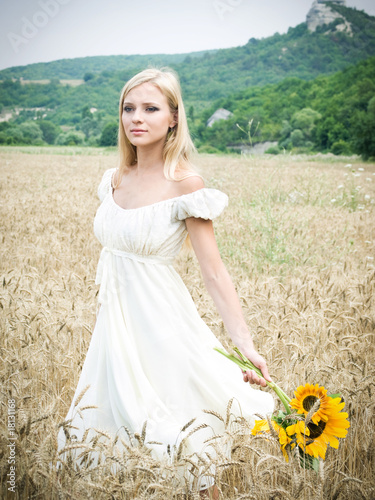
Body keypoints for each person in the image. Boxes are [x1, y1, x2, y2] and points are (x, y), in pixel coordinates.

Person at [58, 67, 274, 498]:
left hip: (162, 326)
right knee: (106, 434)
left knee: (185, 439)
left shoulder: (186, 184)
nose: (136, 118)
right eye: (128, 108)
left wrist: (244, 343)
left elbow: (213, 271)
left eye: (150, 109)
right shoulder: (113, 180)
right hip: (115, 329)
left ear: (174, 117)